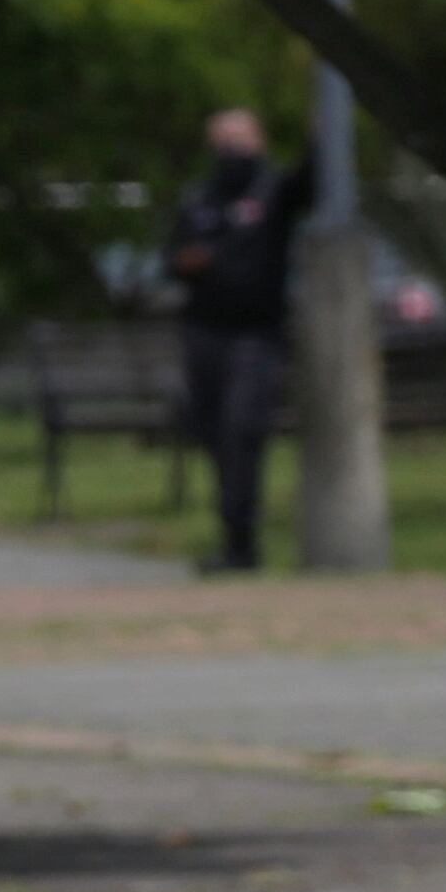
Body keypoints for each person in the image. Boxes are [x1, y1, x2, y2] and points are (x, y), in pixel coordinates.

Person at [162, 107, 303, 574]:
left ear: (259, 141)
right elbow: (171, 258)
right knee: (212, 433)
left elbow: (314, 181)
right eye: (223, 142)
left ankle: (242, 547)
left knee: (242, 428)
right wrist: (189, 262)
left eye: (239, 141)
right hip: (204, 333)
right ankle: (234, 538)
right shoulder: (200, 199)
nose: (231, 152)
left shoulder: (274, 192)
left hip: (256, 335)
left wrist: (324, 130)